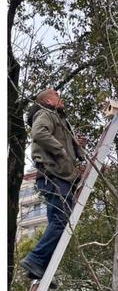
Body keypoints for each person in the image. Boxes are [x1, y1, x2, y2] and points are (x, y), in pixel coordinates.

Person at [20, 89, 85, 280]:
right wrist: (61, 151)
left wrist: (75, 145)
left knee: (58, 222)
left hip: (59, 176)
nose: (61, 99)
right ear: (48, 100)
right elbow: (39, 133)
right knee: (61, 221)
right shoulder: (46, 113)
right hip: (55, 177)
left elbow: (58, 141)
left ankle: (41, 268)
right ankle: (35, 259)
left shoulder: (58, 119)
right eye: (57, 96)